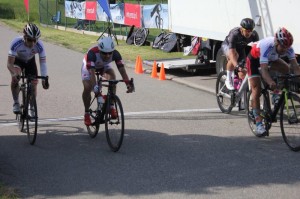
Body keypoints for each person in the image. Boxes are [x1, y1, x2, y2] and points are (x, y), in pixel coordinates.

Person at [247, 27, 300, 136]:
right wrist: (270, 82)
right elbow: (264, 70)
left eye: (287, 47)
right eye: (283, 47)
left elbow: (295, 67)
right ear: (276, 42)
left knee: (286, 68)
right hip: (254, 60)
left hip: (271, 59)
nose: (285, 50)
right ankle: (258, 124)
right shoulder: (267, 46)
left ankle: (276, 94)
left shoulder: (288, 47)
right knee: (256, 90)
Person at [81, 36, 134, 126]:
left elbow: (122, 71)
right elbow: (92, 73)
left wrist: (128, 83)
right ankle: (86, 113)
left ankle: (111, 105)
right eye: (104, 53)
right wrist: (95, 87)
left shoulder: (116, 54)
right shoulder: (92, 54)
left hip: (103, 66)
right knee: (87, 87)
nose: (108, 55)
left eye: (110, 53)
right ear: (100, 50)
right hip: (89, 68)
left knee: (112, 77)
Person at [7, 23, 49, 115]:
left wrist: (44, 78)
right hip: (18, 61)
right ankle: (16, 102)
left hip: (30, 61)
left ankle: (31, 106)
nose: (33, 43)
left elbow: (43, 63)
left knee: (34, 84)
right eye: (30, 40)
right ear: (24, 37)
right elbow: (9, 64)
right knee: (15, 79)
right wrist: (14, 74)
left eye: (35, 40)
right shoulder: (16, 43)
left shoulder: (40, 45)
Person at [222, 18, 259, 90]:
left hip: (240, 48)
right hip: (227, 46)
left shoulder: (254, 35)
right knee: (234, 57)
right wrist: (237, 66)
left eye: (251, 30)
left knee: (243, 73)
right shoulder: (235, 34)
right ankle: (228, 79)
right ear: (242, 28)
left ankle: (239, 92)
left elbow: (257, 51)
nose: (249, 33)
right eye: (247, 31)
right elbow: (232, 53)